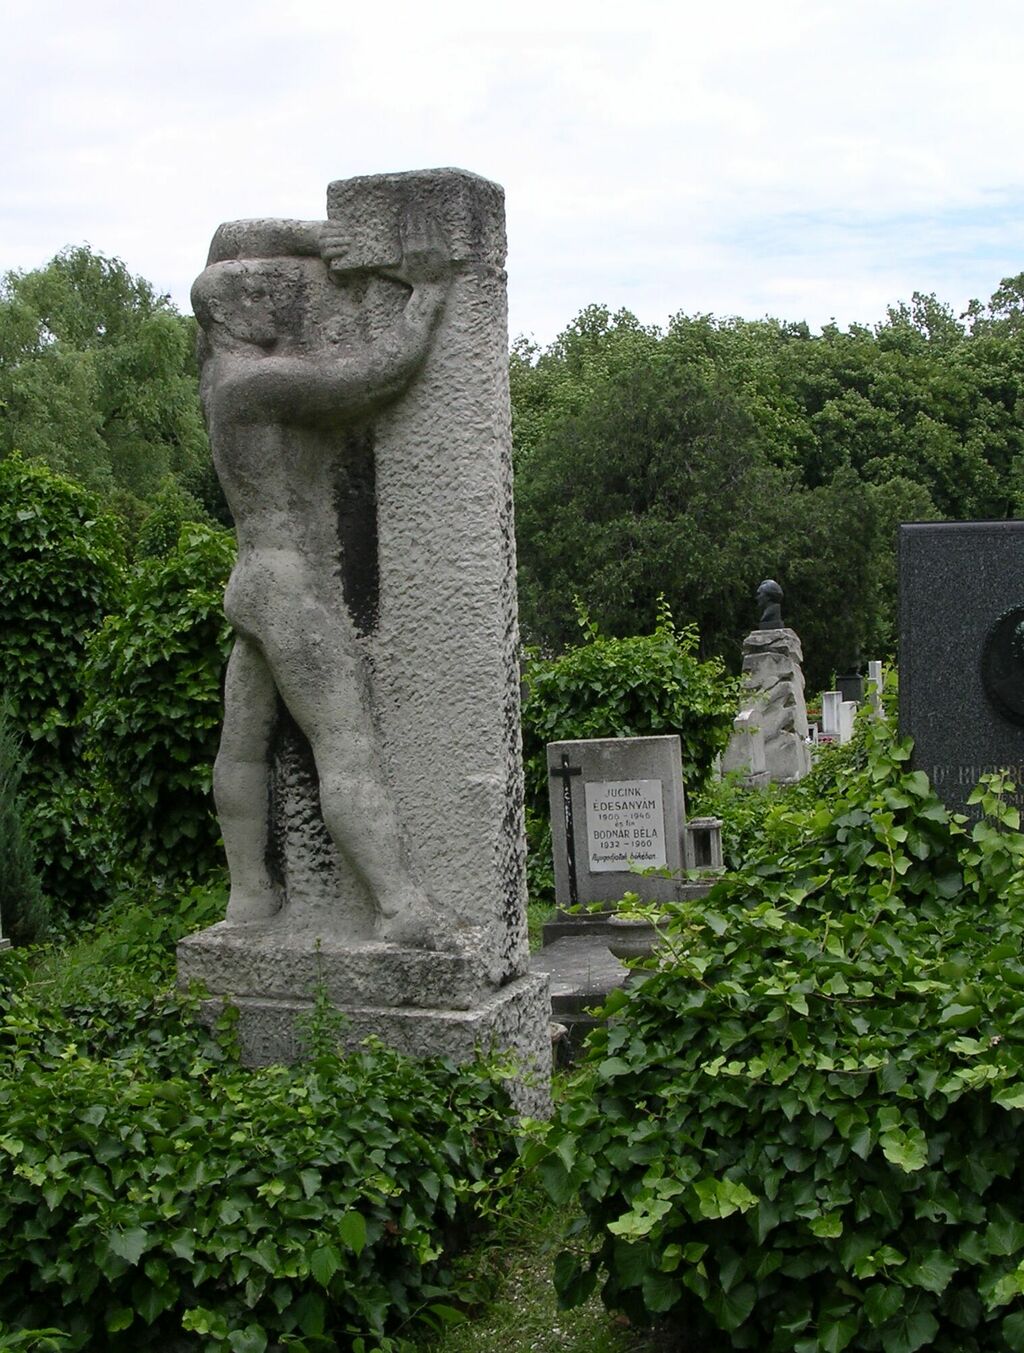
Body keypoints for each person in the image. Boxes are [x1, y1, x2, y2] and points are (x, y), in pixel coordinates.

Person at [191, 212, 454, 948]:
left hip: (253, 579)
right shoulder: (257, 382)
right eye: (259, 295)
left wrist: (324, 238)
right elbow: (376, 378)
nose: (277, 301)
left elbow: (227, 237)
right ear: (226, 312)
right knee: (345, 741)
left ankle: (249, 899)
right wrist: (427, 292)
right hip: (288, 588)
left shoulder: (215, 375)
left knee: (242, 748)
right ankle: (400, 904)